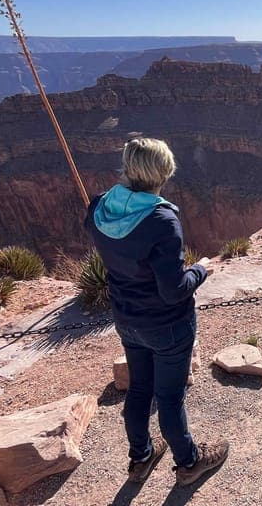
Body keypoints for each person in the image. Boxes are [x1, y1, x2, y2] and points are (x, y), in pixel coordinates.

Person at [84, 137, 229, 485]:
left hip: (127, 319)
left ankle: (141, 456)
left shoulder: (99, 207)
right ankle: (189, 462)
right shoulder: (162, 220)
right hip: (167, 325)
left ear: (127, 166)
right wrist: (201, 270)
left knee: (139, 389)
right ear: (164, 172)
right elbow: (174, 289)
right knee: (169, 397)